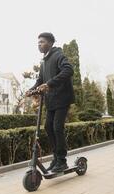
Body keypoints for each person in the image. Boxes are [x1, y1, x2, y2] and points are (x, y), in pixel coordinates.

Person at [26, 32, 74, 172]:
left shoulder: (58, 55)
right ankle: (56, 158)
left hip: (62, 98)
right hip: (51, 100)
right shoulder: (44, 62)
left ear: (50, 43)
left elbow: (68, 70)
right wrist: (31, 90)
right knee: (48, 127)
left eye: (42, 42)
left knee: (57, 127)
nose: (39, 44)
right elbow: (40, 80)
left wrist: (50, 84)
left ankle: (62, 161)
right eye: (38, 43)